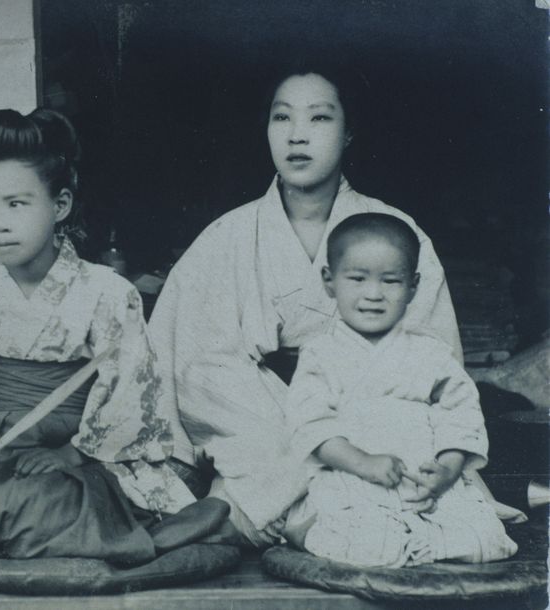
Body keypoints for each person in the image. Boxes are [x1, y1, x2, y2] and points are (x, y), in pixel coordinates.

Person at [0, 109, 222, 589]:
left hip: (78, 460)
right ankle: (22, 528)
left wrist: (73, 456)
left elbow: (127, 400)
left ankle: (19, 528)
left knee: (8, 508)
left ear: (61, 205)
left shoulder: (107, 292)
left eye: (16, 204)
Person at [148, 63, 463, 547]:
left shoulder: (396, 232)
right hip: (254, 434)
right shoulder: (226, 237)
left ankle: (256, 512)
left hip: (365, 434)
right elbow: (188, 365)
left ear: (349, 131)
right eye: (282, 118)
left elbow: (433, 361)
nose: (298, 136)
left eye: (319, 119)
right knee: (206, 372)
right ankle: (306, 508)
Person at [282, 213, 517, 567]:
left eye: (391, 281)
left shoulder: (431, 353)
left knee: (486, 541)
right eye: (357, 279)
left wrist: (448, 469)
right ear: (329, 281)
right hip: (355, 480)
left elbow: (461, 414)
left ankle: (424, 542)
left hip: (425, 483)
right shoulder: (321, 354)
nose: (373, 294)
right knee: (368, 545)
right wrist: (363, 463)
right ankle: (316, 530)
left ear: (413, 286)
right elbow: (311, 425)